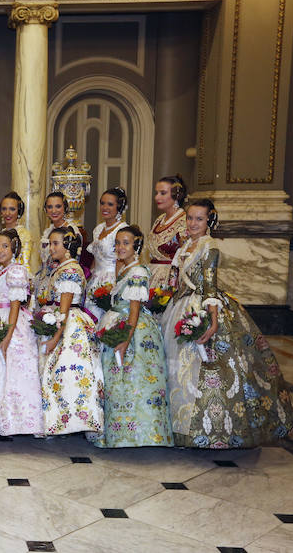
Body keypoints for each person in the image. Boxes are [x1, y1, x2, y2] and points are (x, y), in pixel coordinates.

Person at [162, 199, 293, 448]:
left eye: (199, 219)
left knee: (207, 370)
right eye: (190, 218)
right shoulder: (186, 245)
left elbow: (210, 286)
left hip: (203, 308)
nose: (193, 223)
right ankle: (175, 423)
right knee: (177, 369)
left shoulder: (209, 247)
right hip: (180, 306)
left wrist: (213, 322)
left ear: (209, 222)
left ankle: (213, 431)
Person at [92, 226, 172, 448]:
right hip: (118, 320)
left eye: (125, 243)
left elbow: (134, 311)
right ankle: (115, 431)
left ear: (136, 245)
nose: (120, 247)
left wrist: (126, 339)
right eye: (117, 243)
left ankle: (137, 433)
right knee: (114, 380)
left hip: (132, 327)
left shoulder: (137, 272)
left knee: (130, 378)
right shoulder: (126, 269)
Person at [38, 227, 104, 436]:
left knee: (66, 373)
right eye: (50, 243)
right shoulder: (65, 267)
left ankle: (68, 420)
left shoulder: (69, 271)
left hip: (68, 324)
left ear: (67, 247)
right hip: (62, 319)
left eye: (55, 243)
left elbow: (64, 311)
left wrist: (54, 339)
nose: (51, 248)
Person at [0, 230, 43, 437]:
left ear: (14, 248)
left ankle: (10, 421)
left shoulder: (16, 271)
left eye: (4, 246)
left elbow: (16, 305)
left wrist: (9, 334)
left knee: (9, 372)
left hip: (10, 321)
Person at [85, 188, 130, 321]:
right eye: (102, 203)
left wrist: (116, 286)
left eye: (110, 204)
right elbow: (96, 256)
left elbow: (122, 260)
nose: (105, 207)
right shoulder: (98, 229)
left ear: (119, 207)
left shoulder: (122, 230)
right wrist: (89, 276)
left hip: (111, 279)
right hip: (95, 279)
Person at [146, 174, 188, 295]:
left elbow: (186, 259)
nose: (157, 197)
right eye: (157, 193)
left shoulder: (184, 221)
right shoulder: (160, 219)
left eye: (163, 193)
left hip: (171, 283)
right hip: (153, 278)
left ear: (176, 195)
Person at [0, 192, 34, 274]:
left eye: (12, 209)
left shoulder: (24, 235)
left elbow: (24, 263)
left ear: (19, 211)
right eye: (4, 209)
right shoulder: (2, 233)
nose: (7, 213)